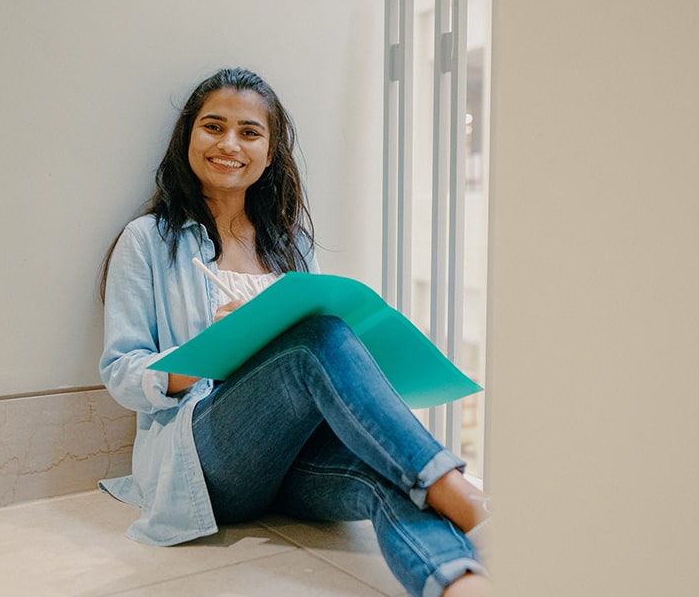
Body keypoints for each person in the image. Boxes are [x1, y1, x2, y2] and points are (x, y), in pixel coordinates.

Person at [98, 67, 491, 597]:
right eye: (213, 126)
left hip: (289, 461)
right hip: (203, 458)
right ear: (188, 136)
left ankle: (459, 583)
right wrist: (212, 350)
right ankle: (464, 497)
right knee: (316, 337)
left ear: (270, 149)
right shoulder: (147, 241)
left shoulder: (289, 244)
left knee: (387, 478)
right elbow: (121, 374)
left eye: (250, 132)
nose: (230, 143)